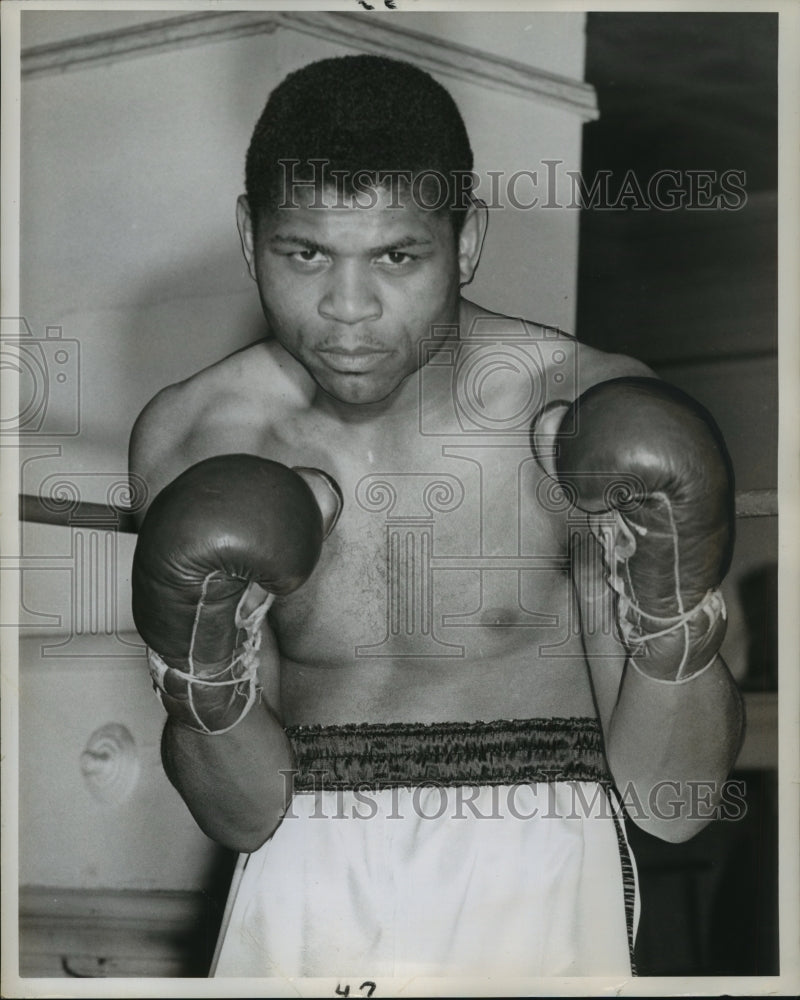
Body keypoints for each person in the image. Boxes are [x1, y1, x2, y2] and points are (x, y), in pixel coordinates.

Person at [128, 55, 744, 980]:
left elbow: (676, 798)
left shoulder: (579, 410)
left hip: (534, 874)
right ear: (250, 236)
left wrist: (668, 616)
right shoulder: (195, 435)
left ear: (466, 241)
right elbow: (242, 815)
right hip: (304, 880)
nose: (347, 311)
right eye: (307, 254)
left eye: (396, 255)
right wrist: (203, 683)